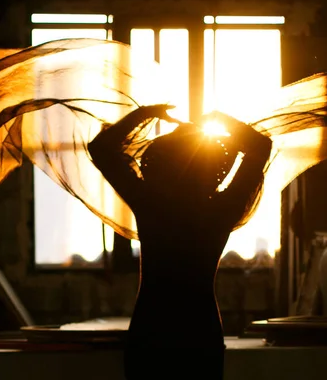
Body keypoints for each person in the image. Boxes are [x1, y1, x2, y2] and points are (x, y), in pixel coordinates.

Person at [88, 105, 273, 379]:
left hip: (151, 328)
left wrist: (145, 114)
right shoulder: (221, 210)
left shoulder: (151, 204)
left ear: (161, 165)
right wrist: (222, 119)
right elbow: (261, 146)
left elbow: (101, 149)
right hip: (200, 329)